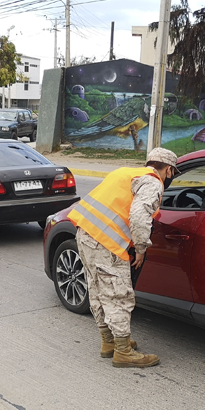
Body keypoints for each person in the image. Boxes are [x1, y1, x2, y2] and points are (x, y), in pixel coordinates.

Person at [67, 147, 179, 368]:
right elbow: (138, 215)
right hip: (106, 243)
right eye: (171, 173)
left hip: (85, 234)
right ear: (168, 170)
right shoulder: (152, 182)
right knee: (118, 295)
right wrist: (140, 248)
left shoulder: (125, 173)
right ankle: (123, 351)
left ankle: (109, 342)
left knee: (98, 289)